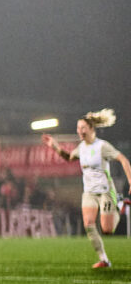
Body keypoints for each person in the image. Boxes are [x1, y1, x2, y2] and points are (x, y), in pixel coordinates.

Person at [42, 108, 131, 268]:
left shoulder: (102, 146)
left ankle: (120, 203)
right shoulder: (81, 148)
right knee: (89, 225)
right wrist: (55, 146)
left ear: (91, 129)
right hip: (89, 192)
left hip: (105, 191)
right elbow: (69, 157)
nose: (79, 131)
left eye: (83, 128)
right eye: (78, 128)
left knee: (107, 230)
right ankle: (104, 259)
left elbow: (123, 159)